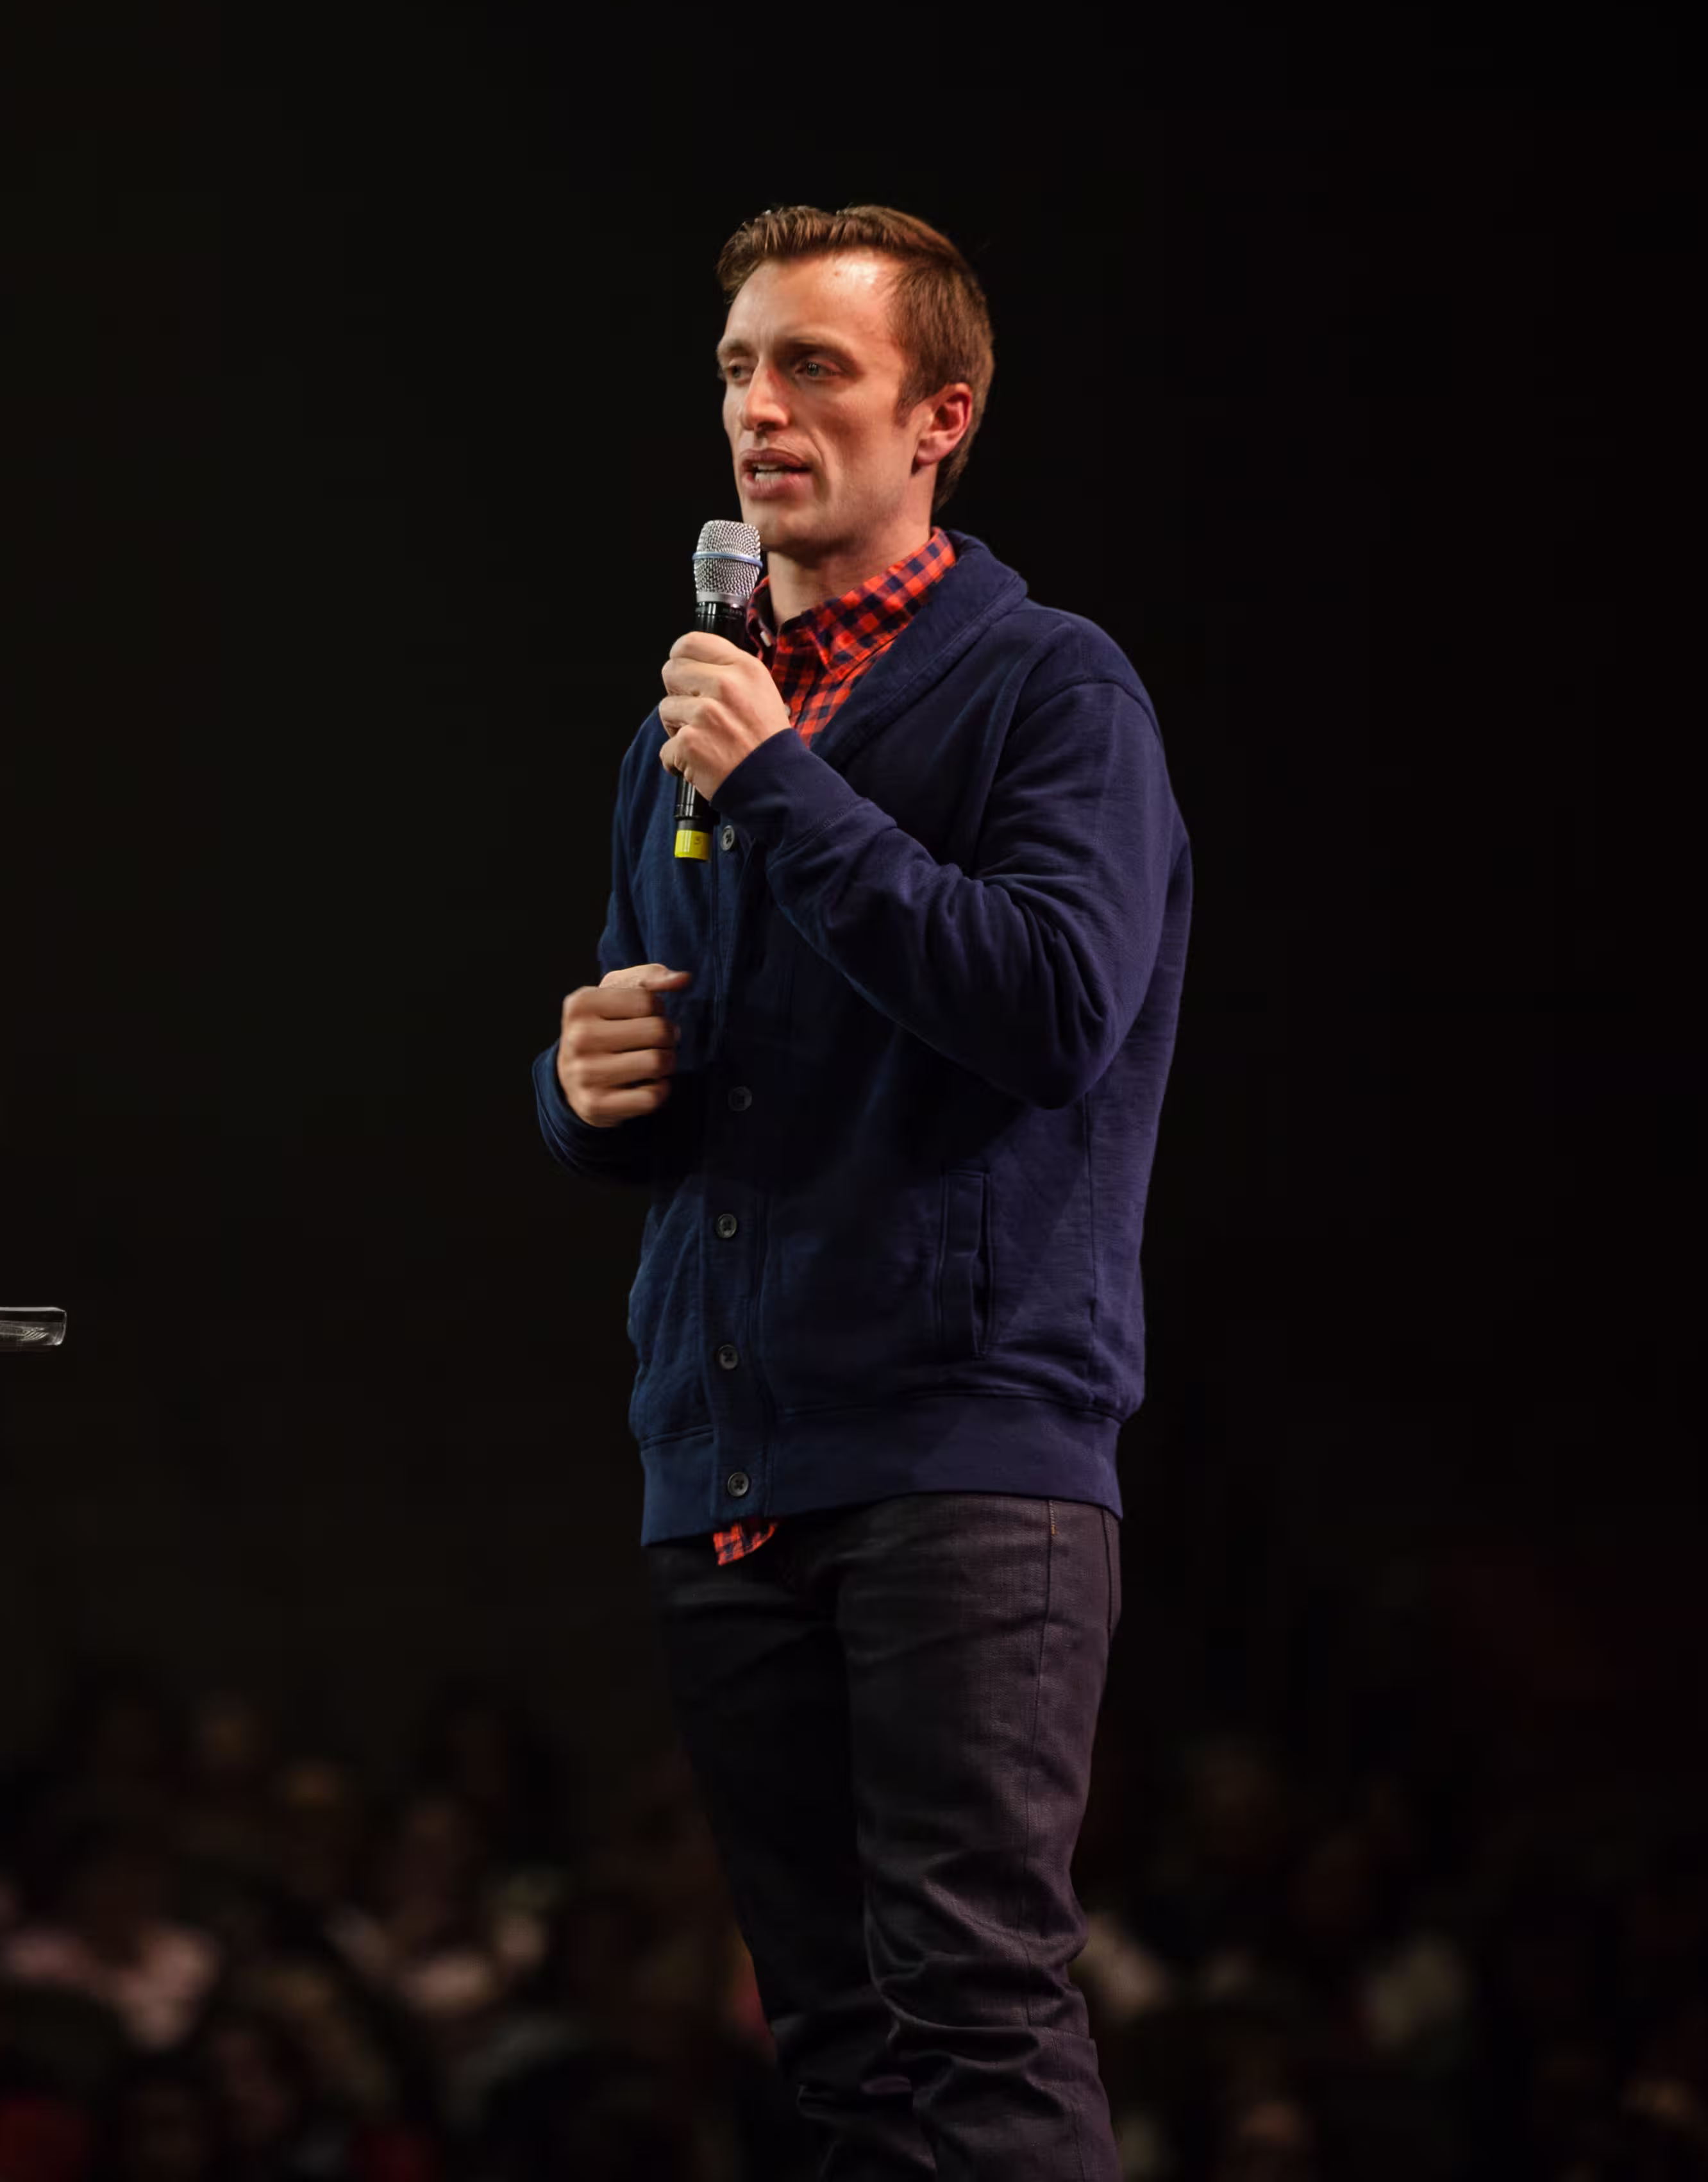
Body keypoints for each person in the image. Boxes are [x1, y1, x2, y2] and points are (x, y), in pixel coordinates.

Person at [533, 203, 1190, 2175]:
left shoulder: (1051, 693)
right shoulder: (694, 731)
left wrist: (785, 790)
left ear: (941, 421)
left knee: (971, 2010)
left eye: (815, 366)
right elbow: (697, 1076)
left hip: (960, 1456)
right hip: (733, 1463)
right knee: (831, 2046)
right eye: (738, 366)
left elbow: (1057, 1006)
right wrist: (582, 1090)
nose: (760, 407)